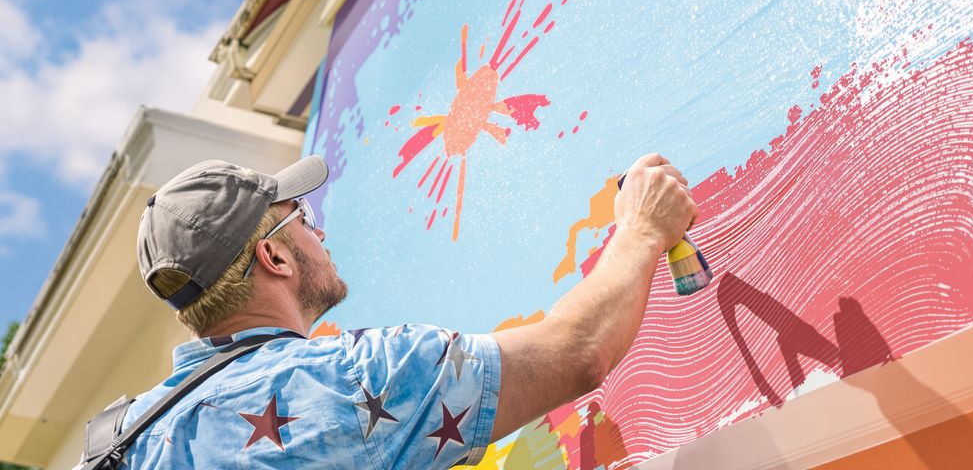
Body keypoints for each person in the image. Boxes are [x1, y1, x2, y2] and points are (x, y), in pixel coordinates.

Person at [105, 152, 696, 468]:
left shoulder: (119, 444)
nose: (319, 231)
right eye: (302, 219)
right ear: (275, 258)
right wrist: (643, 229)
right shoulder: (354, 377)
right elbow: (577, 352)